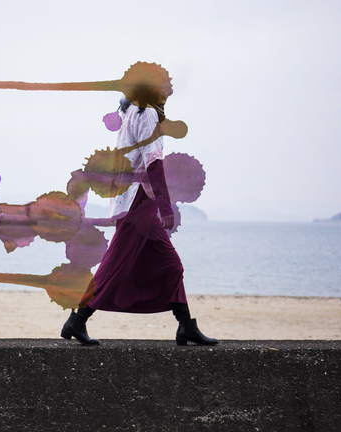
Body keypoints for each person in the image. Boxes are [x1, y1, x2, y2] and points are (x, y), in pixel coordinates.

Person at [60, 62, 217, 346]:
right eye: (165, 84)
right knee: (116, 264)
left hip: (136, 201)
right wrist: (166, 206)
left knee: (169, 265)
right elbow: (152, 162)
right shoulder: (145, 114)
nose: (170, 89)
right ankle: (78, 319)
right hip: (137, 203)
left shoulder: (133, 109)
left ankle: (186, 326)